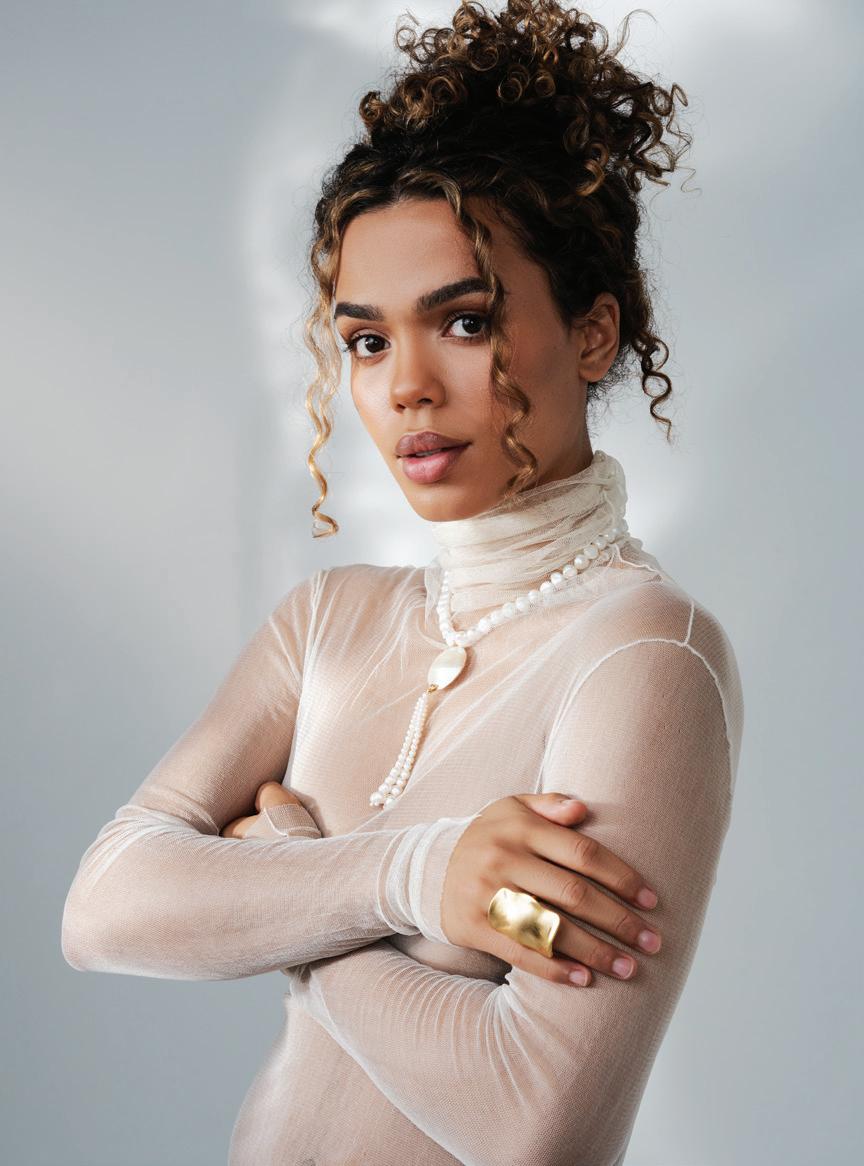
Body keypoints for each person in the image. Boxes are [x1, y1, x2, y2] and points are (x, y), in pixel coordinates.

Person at [60, 2, 744, 1163]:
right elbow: (104, 908)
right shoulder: (329, 622)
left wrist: (280, 882)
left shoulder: (644, 658)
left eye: (464, 322)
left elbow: (533, 1122)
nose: (407, 385)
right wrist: (414, 874)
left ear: (593, 333)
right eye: (367, 341)